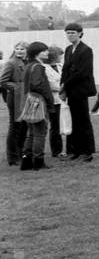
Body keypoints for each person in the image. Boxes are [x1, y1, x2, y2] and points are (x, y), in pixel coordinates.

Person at [60, 24, 96, 162]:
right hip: (70, 89)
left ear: (80, 33)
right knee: (72, 120)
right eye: (68, 33)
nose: (70, 35)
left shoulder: (86, 50)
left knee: (83, 120)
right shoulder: (69, 49)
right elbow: (65, 69)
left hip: (80, 90)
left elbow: (83, 72)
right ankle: (75, 150)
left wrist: (65, 84)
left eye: (73, 33)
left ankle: (87, 152)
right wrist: (62, 86)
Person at [20, 42, 55, 170]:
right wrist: (48, 98)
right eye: (44, 51)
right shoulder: (38, 67)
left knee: (31, 133)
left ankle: (26, 161)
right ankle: (38, 162)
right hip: (38, 102)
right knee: (40, 132)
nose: (47, 53)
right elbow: (37, 84)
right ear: (36, 53)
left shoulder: (29, 65)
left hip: (29, 101)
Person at [2, 41, 29, 166]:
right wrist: (18, 87)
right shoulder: (11, 63)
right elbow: (3, 81)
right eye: (17, 48)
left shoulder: (27, 62)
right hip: (15, 98)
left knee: (24, 127)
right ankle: (12, 157)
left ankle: (20, 153)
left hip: (25, 98)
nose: (19, 51)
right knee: (15, 126)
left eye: (22, 49)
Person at [44, 45, 67, 159]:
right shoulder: (44, 68)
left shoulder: (60, 66)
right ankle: (56, 151)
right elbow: (50, 85)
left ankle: (68, 149)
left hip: (64, 99)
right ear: (54, 56)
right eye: (60, 56)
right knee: (55, 126)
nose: (61, 58)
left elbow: (66, 79)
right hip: (53, 100)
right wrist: (62, 87)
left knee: (65, 124)